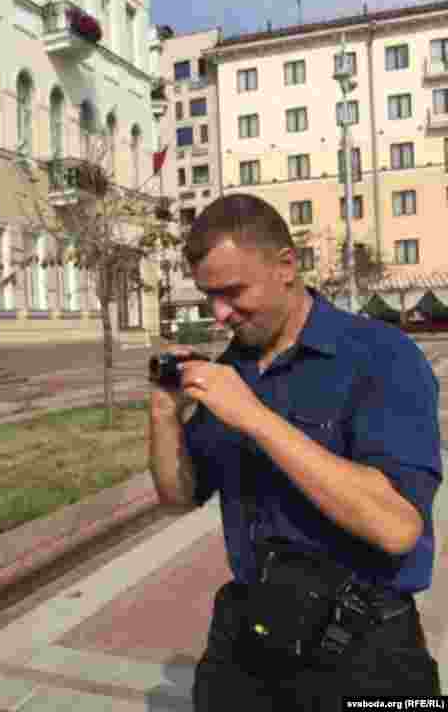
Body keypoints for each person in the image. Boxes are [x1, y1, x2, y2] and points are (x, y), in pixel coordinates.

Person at [149, 193, 442, 709]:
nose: (219, 315)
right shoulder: (231, 369)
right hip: (249, 633)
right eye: (208, 296)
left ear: (287, 265)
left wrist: (255, 418)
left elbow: (396, 528)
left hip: (365, 646)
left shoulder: (382, 355)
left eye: (233, 292)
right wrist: (163, 414)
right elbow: (177, 497)